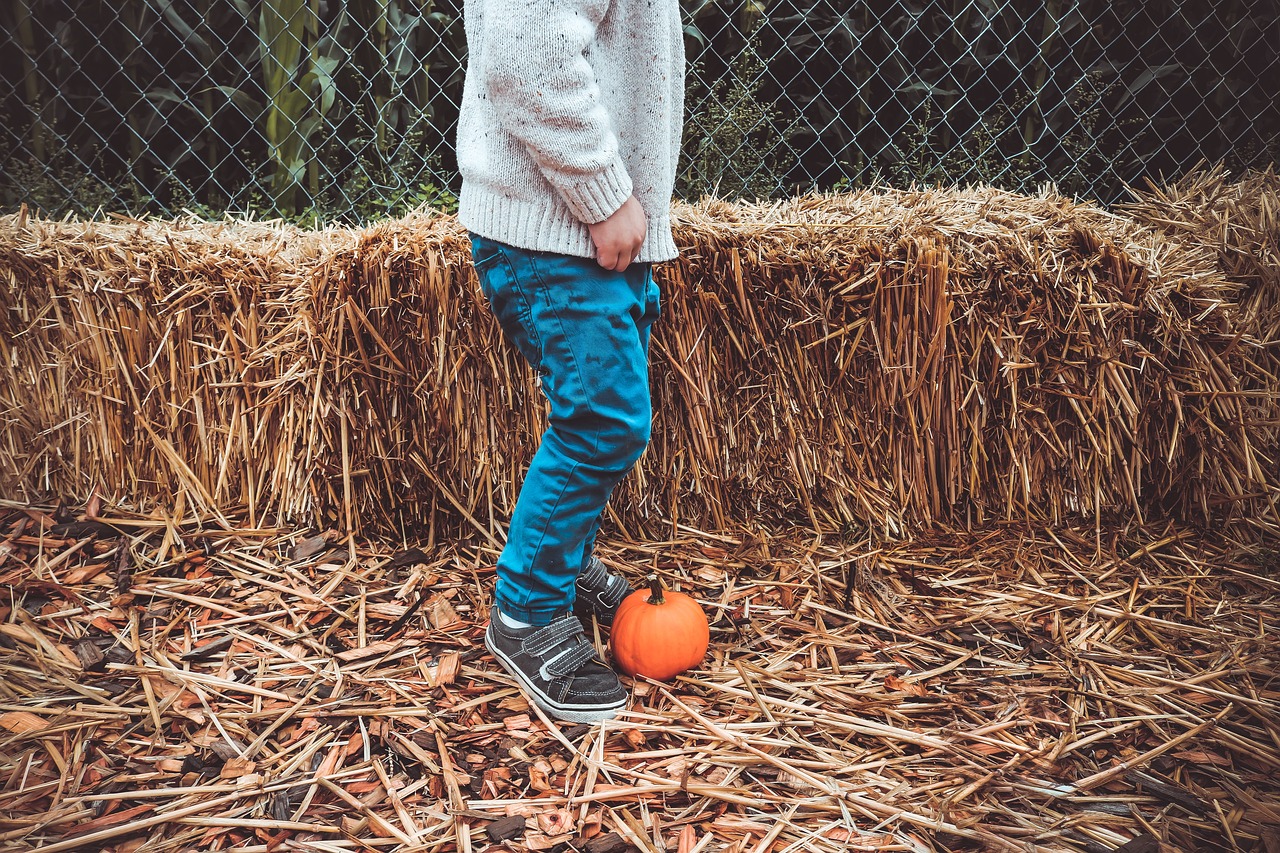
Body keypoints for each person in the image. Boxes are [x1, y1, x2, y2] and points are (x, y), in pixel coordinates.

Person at [454, 0, 685, 722]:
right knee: (601, 420)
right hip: (559, 228)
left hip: (588, 232)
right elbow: (527, 59)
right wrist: (602, 193)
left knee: (605, 412)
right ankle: (525, 609)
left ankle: (564, 560)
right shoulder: (585, 206)